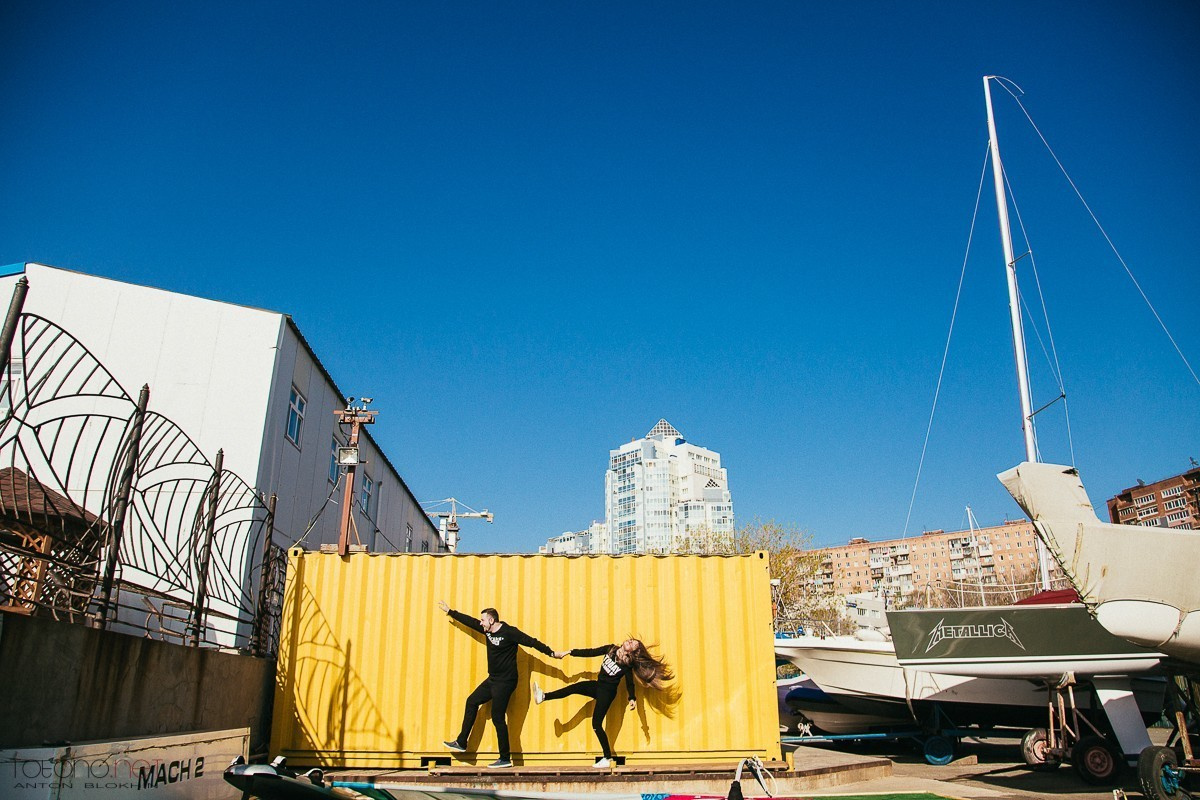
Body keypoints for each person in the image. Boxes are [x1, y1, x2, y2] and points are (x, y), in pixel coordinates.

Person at [438, 600, 560, 769]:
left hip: (507, 681)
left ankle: (505, 758)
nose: (481, 623)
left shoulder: (510, 632)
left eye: (483, 620)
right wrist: (450, 611)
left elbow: (531, 641)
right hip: (493, 679)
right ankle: (461, 741)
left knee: (497, 717)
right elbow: (471, 622)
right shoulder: (487, 630)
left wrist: (552, 653)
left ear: (492, 620)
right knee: (472, 701)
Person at [533, 638, 673, 768]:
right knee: (574, 687)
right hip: (598, 686)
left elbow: (630, 684)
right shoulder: (610, 649)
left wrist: (632, 698)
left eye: (632, 644)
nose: (629, 642)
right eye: (631, 640)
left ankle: (607, 758)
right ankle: (543, 696)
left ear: (632, 652)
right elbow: (591, 652)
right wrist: (569, 652)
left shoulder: (626, 665)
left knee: (596, 724)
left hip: (607, 694)